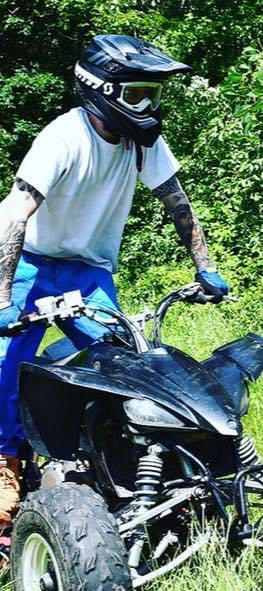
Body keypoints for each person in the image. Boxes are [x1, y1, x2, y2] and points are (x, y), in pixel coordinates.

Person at [0, 34, 230, 542]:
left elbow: (177, 202)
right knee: (5, 364)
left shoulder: (141, 144)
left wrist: (205, 267)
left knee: (124, 365)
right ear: (101, 90)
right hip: (28, 262)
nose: (146, 106)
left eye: (153, 94)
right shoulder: (64, 137)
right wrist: (2, 298)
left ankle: (114, 466)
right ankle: (6, 463)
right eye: (136, 94)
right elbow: (15, 214)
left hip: (89, 270)